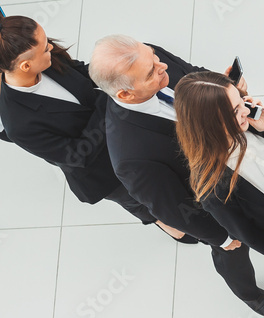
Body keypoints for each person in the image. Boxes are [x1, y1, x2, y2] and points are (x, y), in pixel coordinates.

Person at [88, 35, 264, 318]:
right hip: (220, 200)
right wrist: (224, 236)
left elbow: (193, 74)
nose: (162, 65)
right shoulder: (132, 155)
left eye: (155, 57)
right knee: (233, 252)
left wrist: (225, 89)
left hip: (245, 155)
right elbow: (171, 207)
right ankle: (249, 294)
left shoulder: (150, 60)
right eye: (151, 71)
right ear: (126, 94)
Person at [0, 15, 186, 241]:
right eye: (45, 47)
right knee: (138, 200)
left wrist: (116, 75)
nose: (51, 46)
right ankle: (161, 221)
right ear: (25, 65)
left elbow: (86, 73)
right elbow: (77, 154)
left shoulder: (48, 60)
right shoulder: (18, 124)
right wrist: (111, 97)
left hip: (124, 134)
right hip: (103, 169)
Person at [174, 71, 264, 270]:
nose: (246, 111)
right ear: (208, 125)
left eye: (241, 102)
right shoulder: (212, 187)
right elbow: (249, 234)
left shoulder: (251, 124)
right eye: (235, 111)